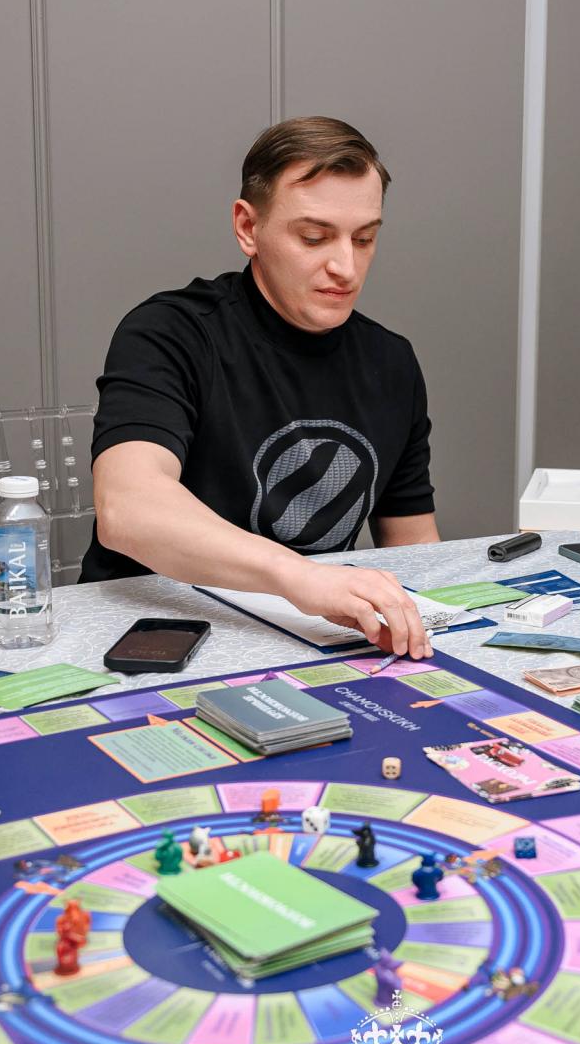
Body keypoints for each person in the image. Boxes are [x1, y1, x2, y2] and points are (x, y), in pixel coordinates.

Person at [84, 116, 439, 657]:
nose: (346, 267)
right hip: (157, 636)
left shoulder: (391, 361)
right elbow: (129, 509)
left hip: (312, 639)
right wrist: (298, 576)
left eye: (365, 238)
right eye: (314, 237)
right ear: (248, 228)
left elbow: (415, 548)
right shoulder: (170, 333)